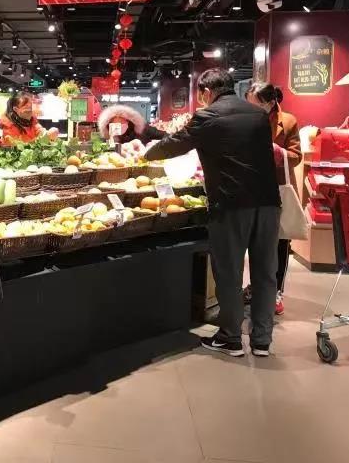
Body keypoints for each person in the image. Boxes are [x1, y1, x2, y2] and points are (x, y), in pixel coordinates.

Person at [145, 68, 281, 357]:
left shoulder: (207, 116)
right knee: (265, 273)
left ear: (207, 92)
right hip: (269, 203)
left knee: (229, 272)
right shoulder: (258, 115)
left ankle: (231, 337)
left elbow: (174, 145)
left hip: (232, 204)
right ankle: (261, 341)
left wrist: (146, 153)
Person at [244, 82, 302, 316]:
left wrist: (275, 151)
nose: (251, 109)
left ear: (270, 103)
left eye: (256, 105)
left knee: (280, 242)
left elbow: (296, 156)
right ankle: (256, 286)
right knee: (255, 241)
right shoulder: (246, 120)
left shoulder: (287, 121)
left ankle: (277, 290)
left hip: (278, 188)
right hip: (252, 187)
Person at [97, 104, 166, 144]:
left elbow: (165, 136)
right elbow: (110, 155)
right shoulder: (107, 138)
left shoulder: (143, 129)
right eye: (114, 124)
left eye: (121, 122)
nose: (118, 126)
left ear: (128, 120)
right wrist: (112, 140)